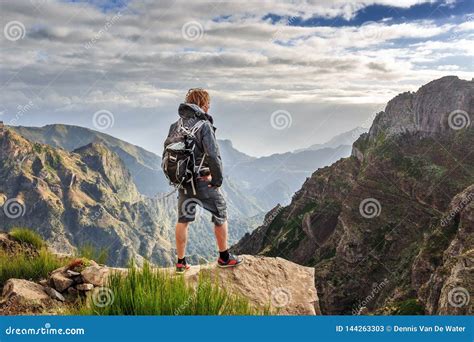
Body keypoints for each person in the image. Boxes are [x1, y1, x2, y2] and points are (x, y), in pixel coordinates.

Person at [164, 88, 243, 273]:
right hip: (202, 180)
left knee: (183, 220)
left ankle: (181, 263)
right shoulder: (203, 125)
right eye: (208, 103)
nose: (209, 106)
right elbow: (213, 156)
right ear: (203, 104)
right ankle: (224, 258)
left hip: (183, 181)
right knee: (220, 213)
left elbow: (168, 154)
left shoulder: (175, 125)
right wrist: (216, 180)